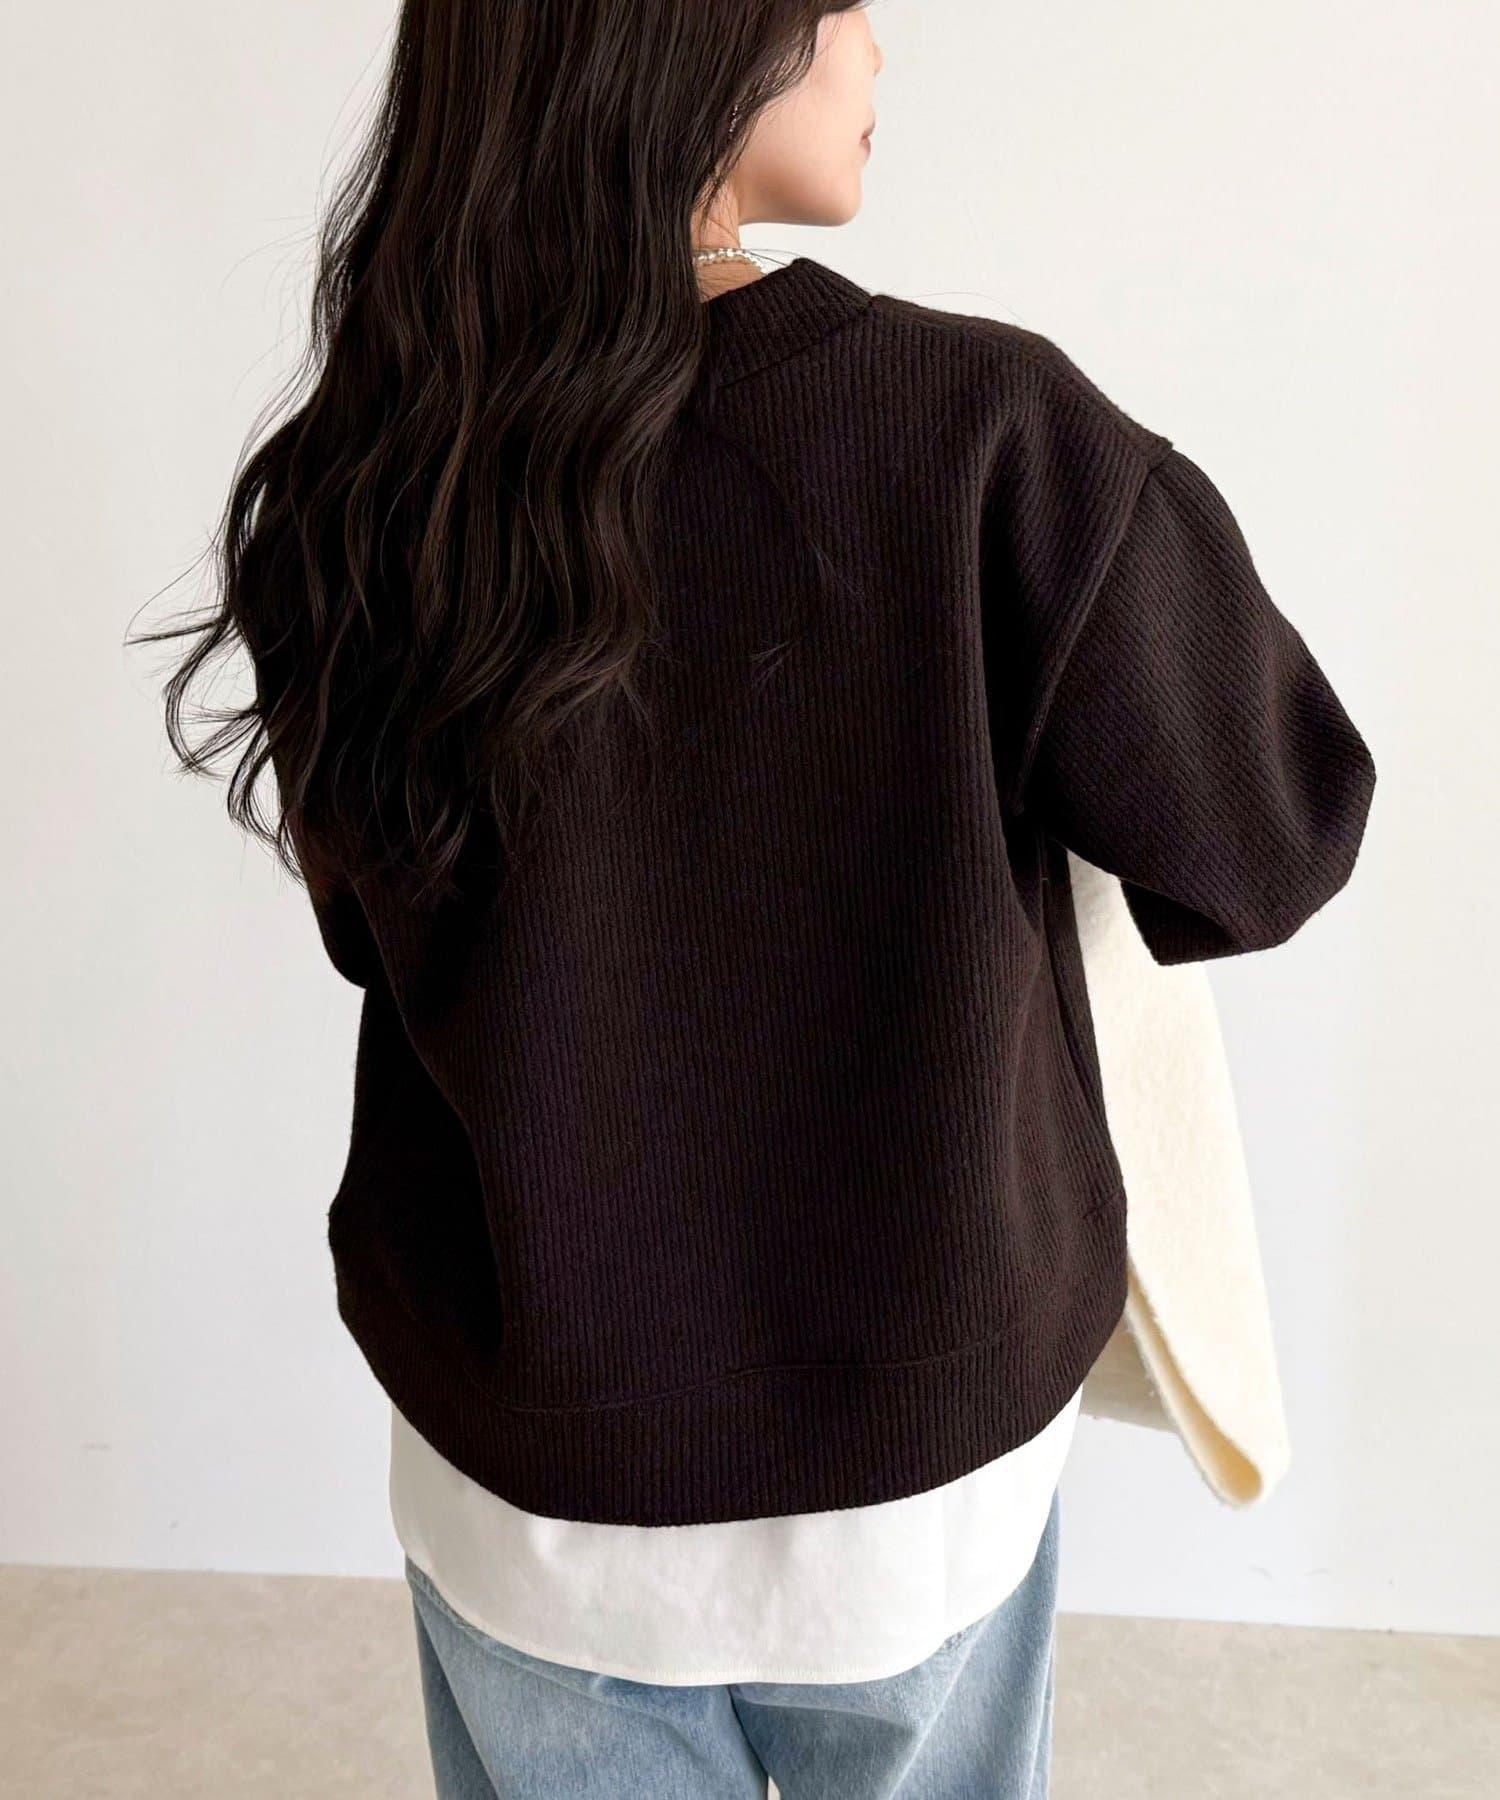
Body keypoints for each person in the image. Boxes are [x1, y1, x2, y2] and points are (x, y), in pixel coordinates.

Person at [146, 4, 1376, 1794]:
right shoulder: (989, 433)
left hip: (532, 1487)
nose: (878, 46)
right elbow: (1274, 835)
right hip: (914, 1492)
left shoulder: (370, 475)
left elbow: (377, 937)